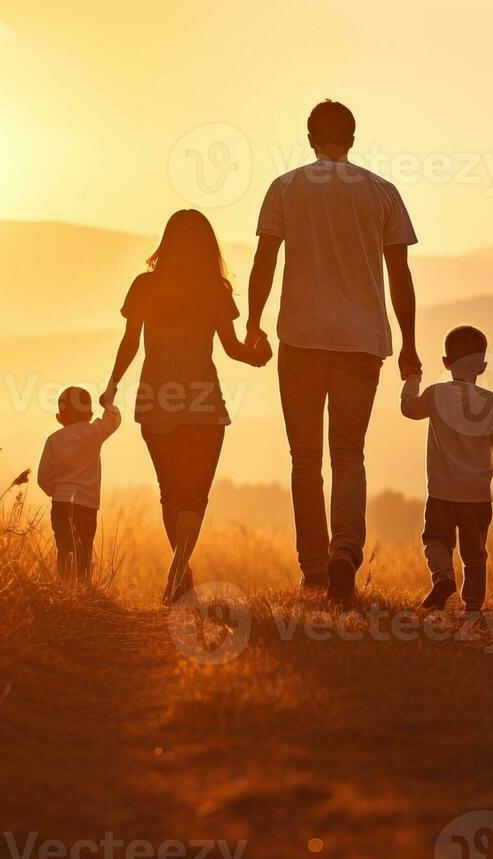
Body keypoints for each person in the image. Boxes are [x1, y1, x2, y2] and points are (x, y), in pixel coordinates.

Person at [245, 99, 422, 607]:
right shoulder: (382, 192)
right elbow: (400, 277)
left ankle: (315, 571)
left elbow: (264, 262)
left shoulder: (285, 187)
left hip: (300, 339)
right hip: (361, 343)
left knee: (305, 459)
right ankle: (346, 551)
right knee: (348, 454)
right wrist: (408, 343)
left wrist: (254, 324)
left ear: (308, 137)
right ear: (352, 137)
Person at [101, 209, 272, 603]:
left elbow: (130, 343)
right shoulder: (215, 290)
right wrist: (259, 356)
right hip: (203, 404)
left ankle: (181, 573)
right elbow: (232, 350)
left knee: (171, 494)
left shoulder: (145, 286)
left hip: (156, 401)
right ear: (207, 247)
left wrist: (112, 385)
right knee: (194, 495)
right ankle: (179, 571)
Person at [400, 325, 493, 613]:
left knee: (436, 541)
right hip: (477, 498)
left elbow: (409, 408)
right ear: (482, 367)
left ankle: (443, 576)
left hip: (441, 494)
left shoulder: (435, 395)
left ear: (446, 363)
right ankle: (473, 606)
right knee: (475, 555)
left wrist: (412, 378)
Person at [37, 386, 122, 582]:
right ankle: (83, 590)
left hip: (60, 504)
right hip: (87, 506)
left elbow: (43, 478)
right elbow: (114, 419)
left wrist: (55, 491)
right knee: (84, 550)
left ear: (59, 417)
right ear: (90, 414)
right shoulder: (95, 432)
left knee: (64, 549)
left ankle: (65, 588)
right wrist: (108, 402)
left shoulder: (53, 440)